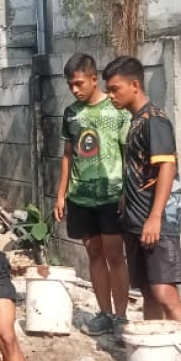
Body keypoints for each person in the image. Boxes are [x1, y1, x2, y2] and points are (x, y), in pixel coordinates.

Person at [102, 56, 181, 361]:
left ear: (135, 85)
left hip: (156, 223)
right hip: (135, 222)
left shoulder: (155, 121)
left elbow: (167, 169)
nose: (111, 95)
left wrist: (155, 217)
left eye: (115, 89)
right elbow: (138, 170)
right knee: (148, 293)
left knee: (165, 294)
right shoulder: (134, 122)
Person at [53, 53, 131, 334]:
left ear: (94, 79)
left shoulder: (117, 109)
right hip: (80, 198)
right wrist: (61, 194)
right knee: (94, 254)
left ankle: (121, 317)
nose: (74, 90)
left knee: (115, 256)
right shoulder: (71, 113)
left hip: (111, 196)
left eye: (79, 83)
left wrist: (126, 192)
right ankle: (105, 314)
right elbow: (67, 155)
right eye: (70, 85)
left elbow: (126, 154)